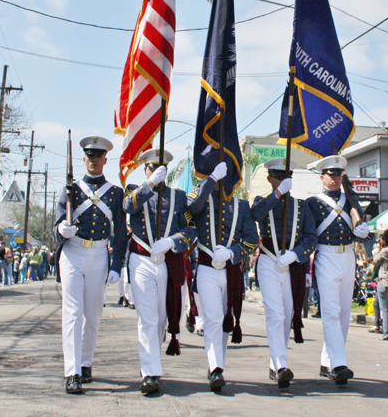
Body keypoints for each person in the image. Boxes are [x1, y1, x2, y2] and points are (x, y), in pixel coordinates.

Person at [54, 135, 128, 394]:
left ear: (105, 159)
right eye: (90, 155)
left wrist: (117, 265)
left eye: (99, 156)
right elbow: (56, 226)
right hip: (73, 253)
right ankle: (72, 372)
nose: (94, 160)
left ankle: (85, 363)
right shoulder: (70, 190)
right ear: (83, 158)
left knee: (93, 315)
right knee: (72, 313)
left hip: (99, 255)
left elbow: (120, 234)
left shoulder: (115, 193)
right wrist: (61, 229)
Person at [122, 149, 196, 394]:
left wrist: (174, 240)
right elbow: (127, 206)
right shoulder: (134, 189)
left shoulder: (178, 196)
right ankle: (151, 372)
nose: (156, 172)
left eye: (159, 169)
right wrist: (149, 185)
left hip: (166, 260)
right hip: (141, 259)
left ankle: (152, 359)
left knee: (161, 318)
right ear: (145, 169)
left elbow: (190, 230)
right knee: (147, 318)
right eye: (151, 168)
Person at [187, 161, 259, 393]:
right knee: (214, 318)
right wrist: (210, 180)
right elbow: (192, 206)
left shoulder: (242, 205)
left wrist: (232, 252)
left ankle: (217, 365)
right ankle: (215, 367)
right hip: (207, 268)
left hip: (231, 269)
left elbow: (251, 238)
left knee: (226, 319)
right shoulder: (201, 199)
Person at [249, 158, 317, 388]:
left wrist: (297, 254)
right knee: (276, 314)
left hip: (292, 265)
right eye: (279, 177)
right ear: (270, 179)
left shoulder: (302, 205)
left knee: (287, 315)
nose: (284, 181)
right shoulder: (263, 201)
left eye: (287, 177)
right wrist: (277, 193)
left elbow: (311, 237)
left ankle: (274, 363)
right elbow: (256, 215)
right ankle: (281, 366)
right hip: (269, 260)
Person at [306, 155, 370, 386]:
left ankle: (327, 361)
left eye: (339, 174)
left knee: (343, 312)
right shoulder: (313, 202)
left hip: (349, 256)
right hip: (325, 256)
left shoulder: (351, 200)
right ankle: (339, 364)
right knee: (331, 311)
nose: (335, 178)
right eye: (331, 175)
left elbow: (359, 224)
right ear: (322, 177)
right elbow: (308, 233)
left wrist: (364, 231)